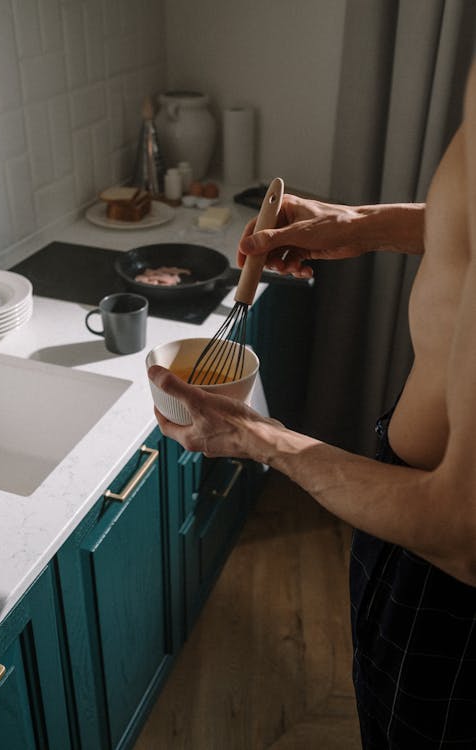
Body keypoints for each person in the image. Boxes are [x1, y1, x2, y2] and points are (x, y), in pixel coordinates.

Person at [148, 59, 476, 749]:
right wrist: (365, 224)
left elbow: (464, 534)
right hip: (399, 512)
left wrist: (257, 438)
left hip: (452, 584)